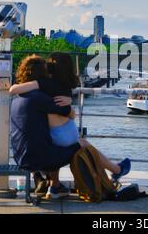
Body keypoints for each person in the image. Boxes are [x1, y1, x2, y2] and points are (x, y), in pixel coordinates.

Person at [10, 53, 131, 197]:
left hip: (19, 156)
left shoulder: (18, 99)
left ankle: (55, 186)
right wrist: (69, 104)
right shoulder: (41, 97)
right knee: (82, 144)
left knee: (55, 141)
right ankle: (111, 173)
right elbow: (70, 113)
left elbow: (13, 89)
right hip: (37, 159)